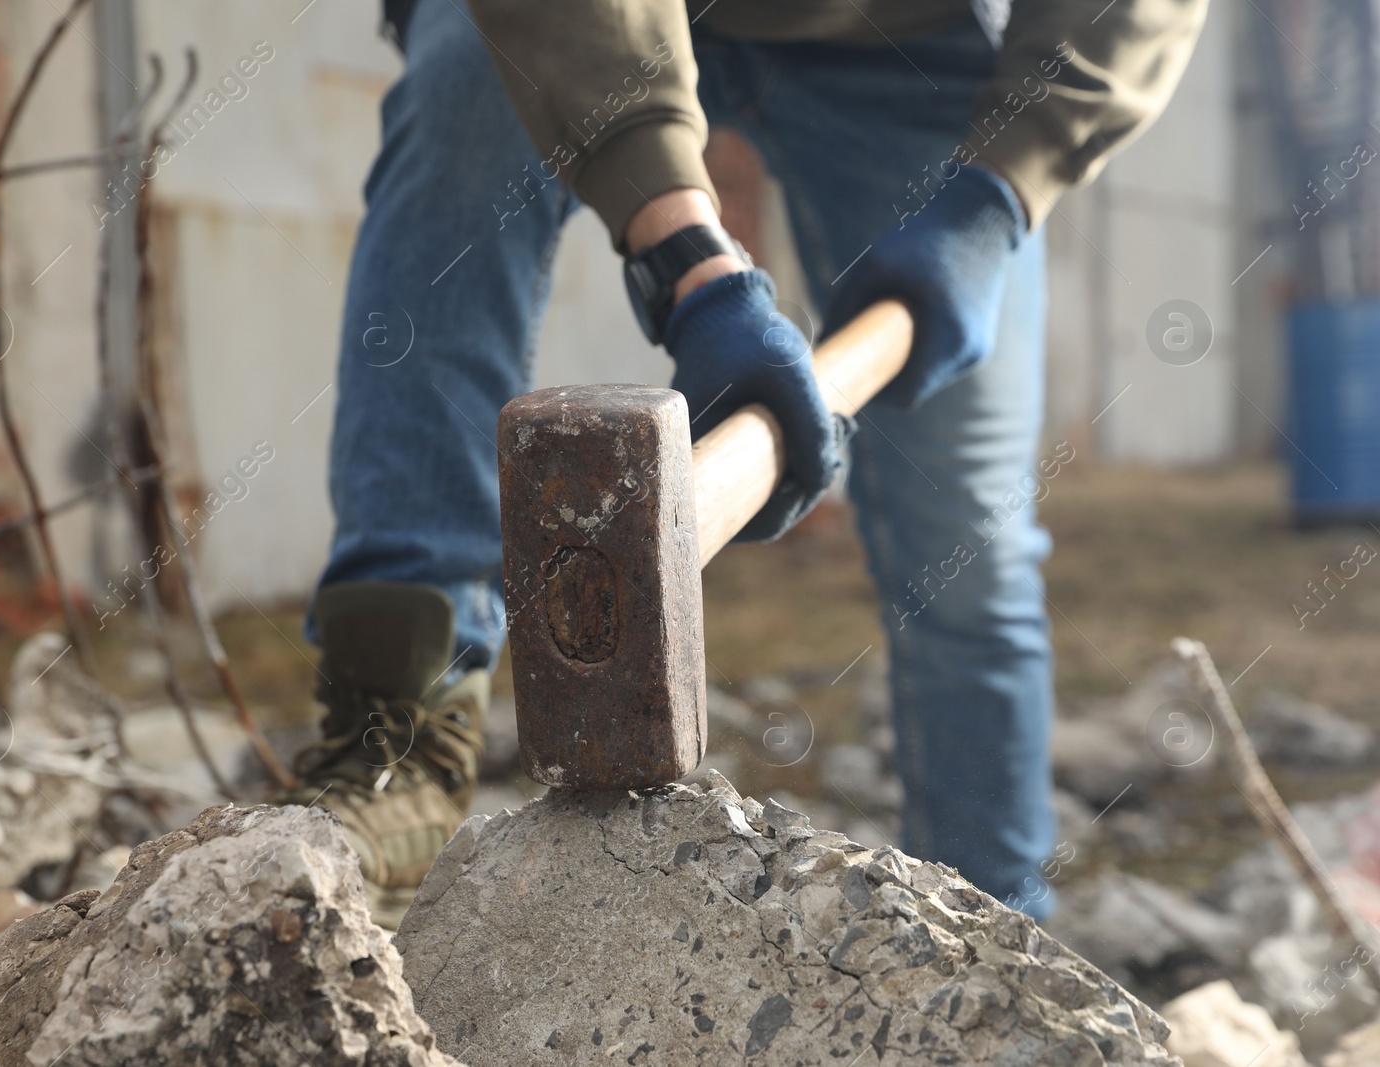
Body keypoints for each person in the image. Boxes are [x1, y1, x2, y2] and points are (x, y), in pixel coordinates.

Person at [279, 0, 1206, 927]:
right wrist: (691, 265)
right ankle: (393, 743)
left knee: (966, 524)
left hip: (911, 34)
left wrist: (1002, 192)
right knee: (462, 84)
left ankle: (996, 924)